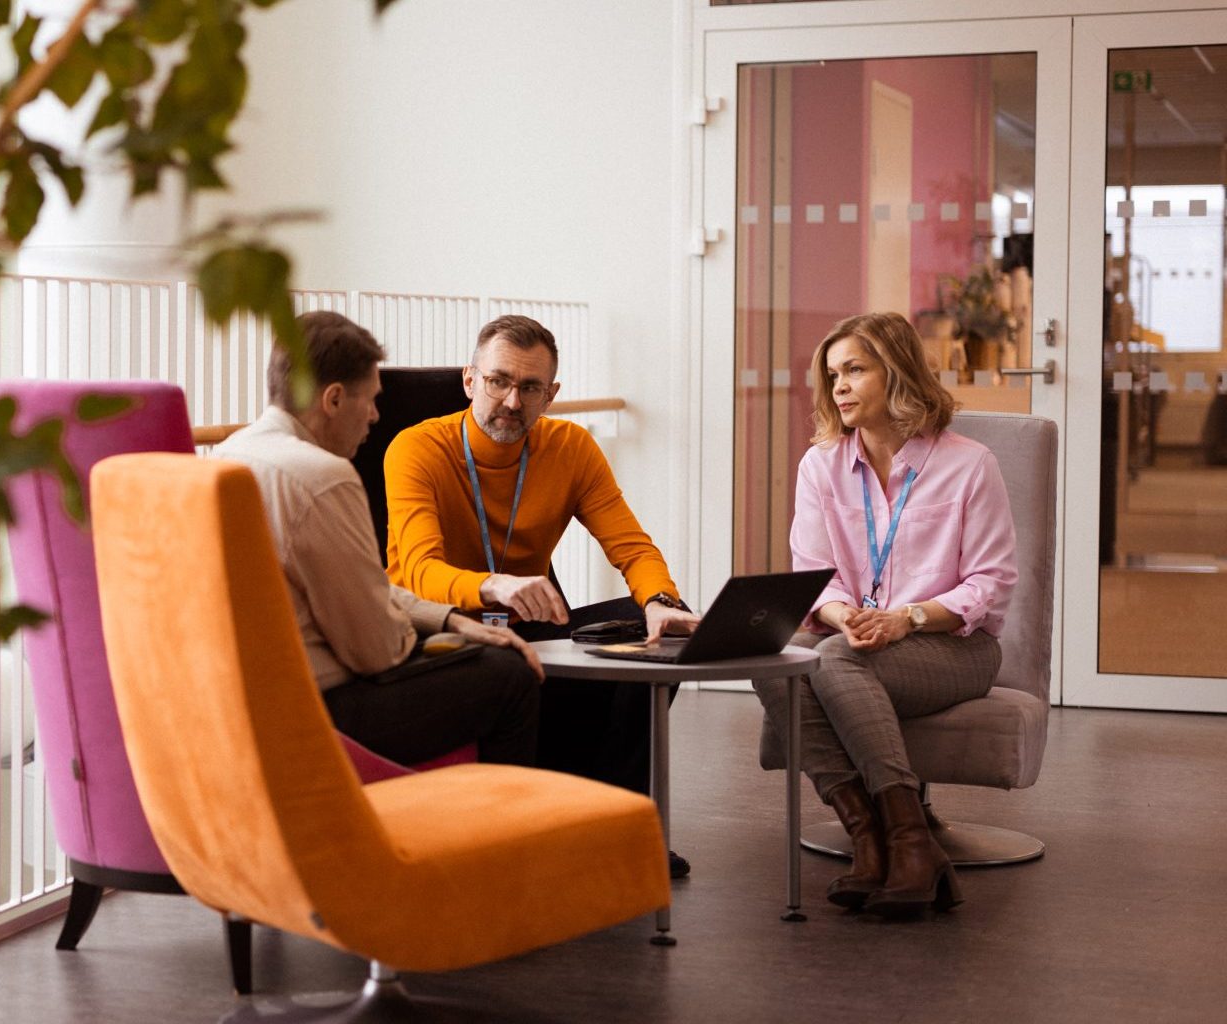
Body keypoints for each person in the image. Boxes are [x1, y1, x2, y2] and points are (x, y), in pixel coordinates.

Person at [384, 313, 698, 876]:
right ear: (469, 381)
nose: (511, 401)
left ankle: (615, 820)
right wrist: (493, 585)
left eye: (530, 388)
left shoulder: (569, 448)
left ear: (551, 394)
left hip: (526, 622)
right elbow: (417, 573)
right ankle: (554, 818)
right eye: (498, 381)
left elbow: (632, 546)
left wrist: (662, 602)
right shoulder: (417, 449)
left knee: (650, 632)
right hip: (441, 626)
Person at [756, 311, 1017, 918]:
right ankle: (872, 840)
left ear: (896, 373)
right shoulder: (820, 466)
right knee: (776, 654)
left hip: (954, 646)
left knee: (834, 659)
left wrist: (908, 619)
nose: (839, 386)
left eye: (855, 370)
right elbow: (812, 571)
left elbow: (992, 583)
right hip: (857, 635)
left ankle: (906, 840)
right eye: (832, 374)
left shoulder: (969, 464)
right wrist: (845, 613)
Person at [214, 311, 546, 768]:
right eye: (370, 401)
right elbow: (378, 653)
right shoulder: (323, 477)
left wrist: (449, 620)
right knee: (510, 677)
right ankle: (508, 831)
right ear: (333, 399)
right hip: (318, 715)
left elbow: (354, 584)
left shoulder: (229, 453)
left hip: (240, 707)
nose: (374, 416)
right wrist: (429, 637)